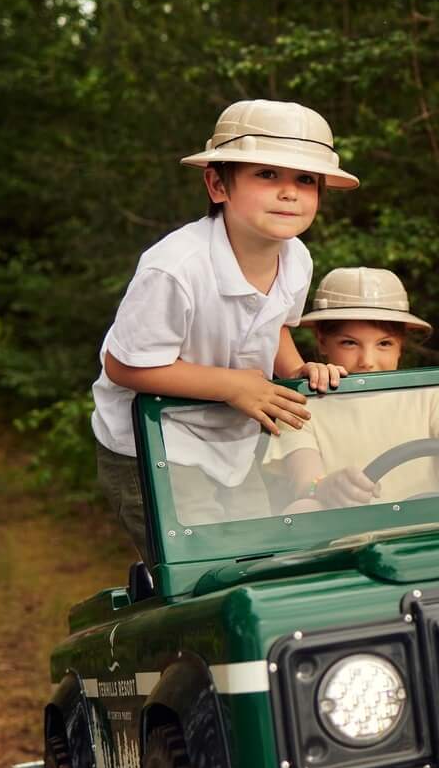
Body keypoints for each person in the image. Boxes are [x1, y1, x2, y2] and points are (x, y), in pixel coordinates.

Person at [91, 100, 357, 550]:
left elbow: (272, 327)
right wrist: (234, 386)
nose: (289, 192)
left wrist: (297, 371)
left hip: (228, 438)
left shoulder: (296, 259)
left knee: (258, 550)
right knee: (204, 566)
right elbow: (124, 367)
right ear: (218, 184)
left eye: (305, 180)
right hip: (154, 444)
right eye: (267, 175)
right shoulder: (176, 269)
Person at [266, 268, 439, 511]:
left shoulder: (430, 394)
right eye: (350, 343)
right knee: (302, 508)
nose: (367, 360)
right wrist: (323, 488)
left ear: (401, 346)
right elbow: (305, 484)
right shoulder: (301, 407)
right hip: (346, 539)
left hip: (423, 528)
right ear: (322, 342)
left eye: (384, 344)